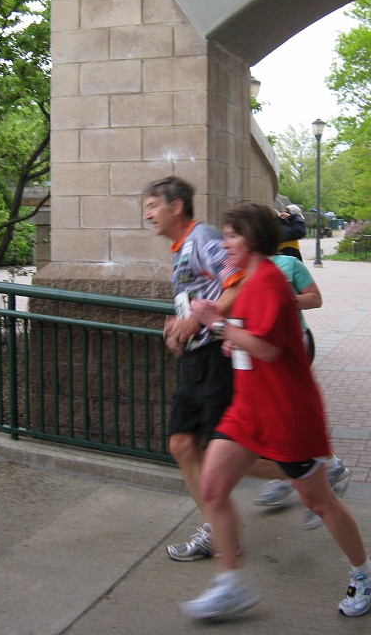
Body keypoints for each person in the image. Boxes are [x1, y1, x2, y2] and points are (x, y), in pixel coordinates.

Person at [184, 202, 371, 619]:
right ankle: (232, 583)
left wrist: (217, 325)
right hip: (248, 408)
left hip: (287, 413)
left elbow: (270, 349)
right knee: (213, 487)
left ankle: (366, 572)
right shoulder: (250, 279)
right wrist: (233, 338)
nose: (225, 243)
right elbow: (252, 338)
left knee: (319, 502)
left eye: (232, 235)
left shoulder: (271, 281)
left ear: (254, 237)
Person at [143, 176, 235, 562]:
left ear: (176, 206)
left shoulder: (205, 238)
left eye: (152, 206)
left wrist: (196, 325)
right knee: (182, 445)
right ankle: (216, 528)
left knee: (224, 452)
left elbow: (239, 286)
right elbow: (198, 299)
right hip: (195, 359)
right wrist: (176, 327)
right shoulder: (182, 248)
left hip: (217, 357)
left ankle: (314, 468)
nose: (147, 215)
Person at [253, 250, 351, 530]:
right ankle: (316, 470)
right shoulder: (241, 266)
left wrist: (288, 299)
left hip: (294, 345)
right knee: (278, 415)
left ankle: (301, 475)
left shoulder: (288, 264)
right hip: (262, 349)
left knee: (290, 414)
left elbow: (315, 298)